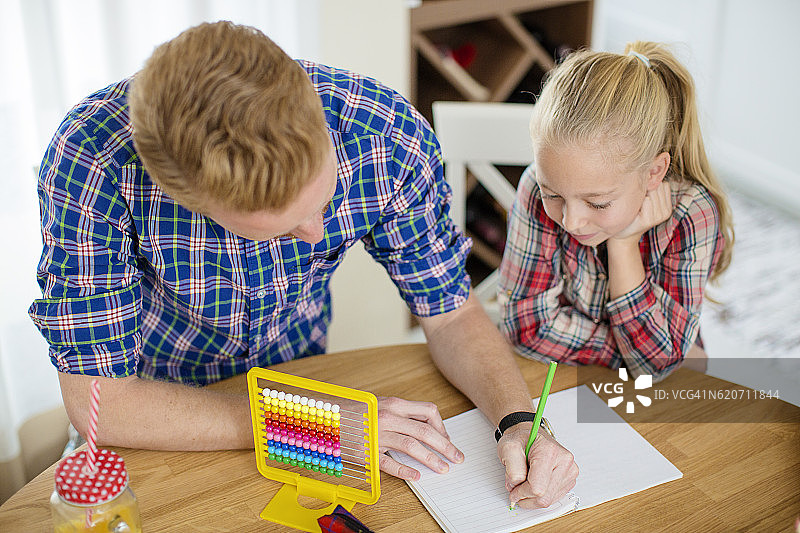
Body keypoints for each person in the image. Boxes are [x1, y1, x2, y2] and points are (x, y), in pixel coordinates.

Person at [29, 21, 577, 508]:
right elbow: (103, 406)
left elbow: (451, 314)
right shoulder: (91, 161)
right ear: (188, 199)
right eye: (286, 229)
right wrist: (313, 425)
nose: (316, 234)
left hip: (302, 373)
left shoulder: (385, 134)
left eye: (322, 201)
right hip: (160, 419)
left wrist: (520, 420)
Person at [498, 42, 734, 382]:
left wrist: (624, 245)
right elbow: (525, 328)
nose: (571, 221)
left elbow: (662, 368)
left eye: (597, 203)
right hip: (559, 379)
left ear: (654, 173)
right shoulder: (536, 188)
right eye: (554, 195)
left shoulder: (692, 213)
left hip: (649, 402)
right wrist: (637, 355)